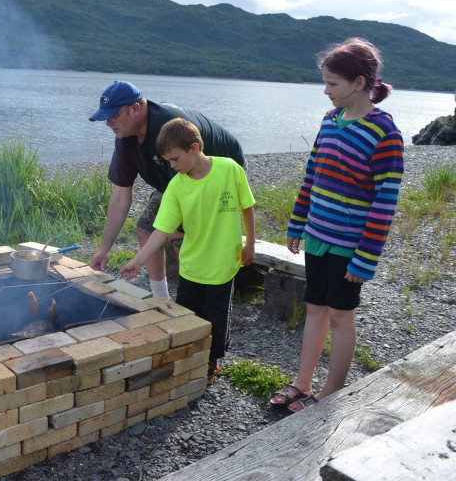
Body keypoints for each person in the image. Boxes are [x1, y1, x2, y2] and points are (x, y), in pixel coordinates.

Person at [270, 38, 404, 412]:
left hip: (350, 247)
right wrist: (297, 225)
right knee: (315, 308)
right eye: (325, 83)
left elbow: (385, 203)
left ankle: (331, 393)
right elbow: (311, 177)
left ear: (359, 83)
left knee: (342, 316)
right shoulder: (330, 121)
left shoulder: (385, 134)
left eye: (332, 84)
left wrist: (365, 259)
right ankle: (302, 382)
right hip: (317, 237)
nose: (326, 91)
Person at [120, 118, 255, 384]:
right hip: (192, 265)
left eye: (175, 159)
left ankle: (210, 363)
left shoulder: (229, 169)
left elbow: (246, 206)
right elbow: (160, 230)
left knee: (216, 319)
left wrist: (250, 242)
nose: (173, 166)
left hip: (223, 264)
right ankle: (187, 358)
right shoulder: (177, 186)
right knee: (188, 316)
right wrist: (137, 261)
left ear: (194, 148)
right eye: (168, 161)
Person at [89, 80, 246, 298]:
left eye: (113, 117)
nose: (110, 123)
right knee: (146, 228)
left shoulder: (167, 126)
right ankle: (161, 300)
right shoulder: (125, 137)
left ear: (135, 109)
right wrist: (104, 250)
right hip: (178, 177)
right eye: (107, 120)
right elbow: (120, 196)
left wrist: (177, 228)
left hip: (216, 173)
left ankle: (206, 293)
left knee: (184, 235)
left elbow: (192, 186)